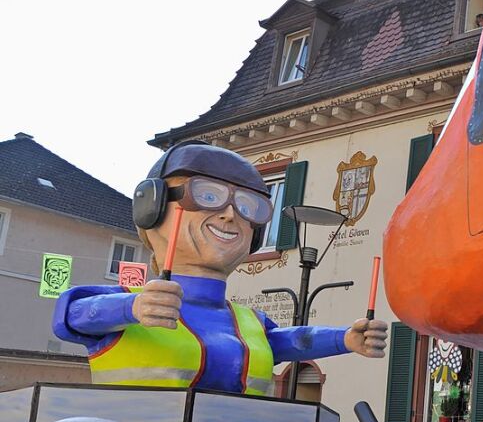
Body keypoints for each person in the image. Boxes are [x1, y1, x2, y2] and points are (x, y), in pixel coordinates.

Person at [52, 142, 386, 394]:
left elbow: (289, 341)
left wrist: (344, 338)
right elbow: (72, 314)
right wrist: (131, 306)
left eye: (247, 206)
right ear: (151, 207)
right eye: (208, 195)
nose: (231, 215)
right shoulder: (131, 304)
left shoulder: (249, 323)